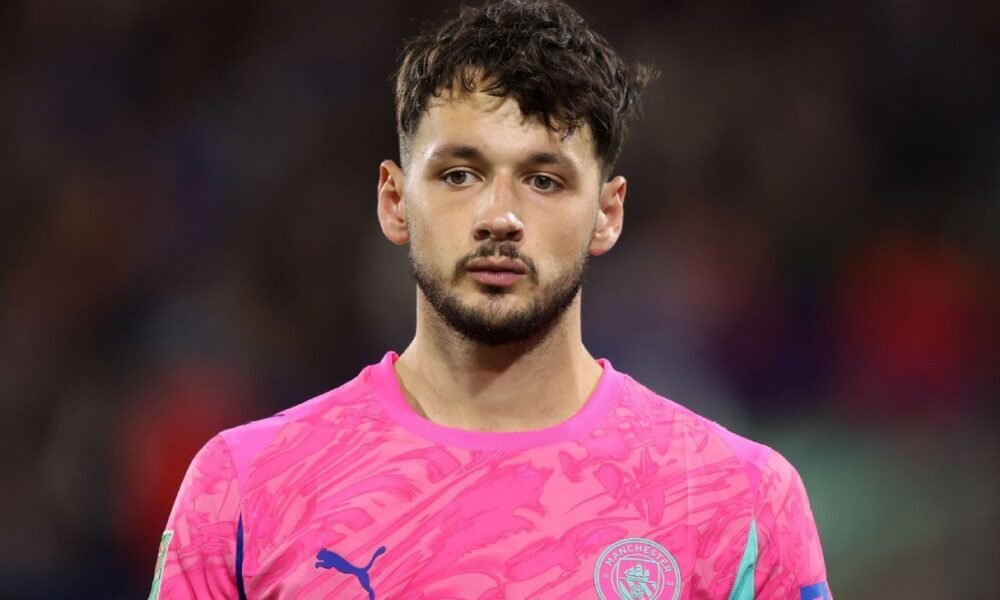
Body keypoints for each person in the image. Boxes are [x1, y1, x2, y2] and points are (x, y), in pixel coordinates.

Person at [151, 1, 831, 598]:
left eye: (543, 180)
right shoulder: (244, 488)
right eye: (459, 174)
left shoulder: (738, 500)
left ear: (607, 214)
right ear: (394, 201)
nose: (499, 217)